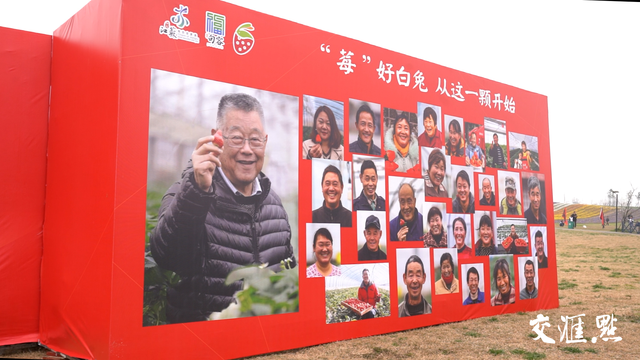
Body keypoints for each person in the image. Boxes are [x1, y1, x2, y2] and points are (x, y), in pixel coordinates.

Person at [150, 93, 297, 324]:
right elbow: (167, 258)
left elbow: (288, 276)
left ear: (265, 142)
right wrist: (197, 193)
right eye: (237, 138)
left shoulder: (274, 204)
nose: (247, 149)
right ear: (216, 138)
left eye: (255, 139)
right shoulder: (187, 193)